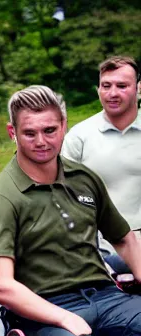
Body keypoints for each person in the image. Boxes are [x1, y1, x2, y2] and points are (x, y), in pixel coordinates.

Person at [0, 85, 141, 336]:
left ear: (64, 126)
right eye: (30, 133)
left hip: (104, 295)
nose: (42, 141)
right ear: (13, 133)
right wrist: (63, 317)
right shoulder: (2, 198)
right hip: (47, 307)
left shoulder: (84, 179)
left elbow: (124, 238)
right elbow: (0, 285)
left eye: (50, 130)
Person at [61, 56, 141, 273]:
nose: (112, 93)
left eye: (122, 86)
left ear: (138, 88)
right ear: (98, 90)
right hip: (98, 249)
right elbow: (60, 197)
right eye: (106, 86)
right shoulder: (79, 136)